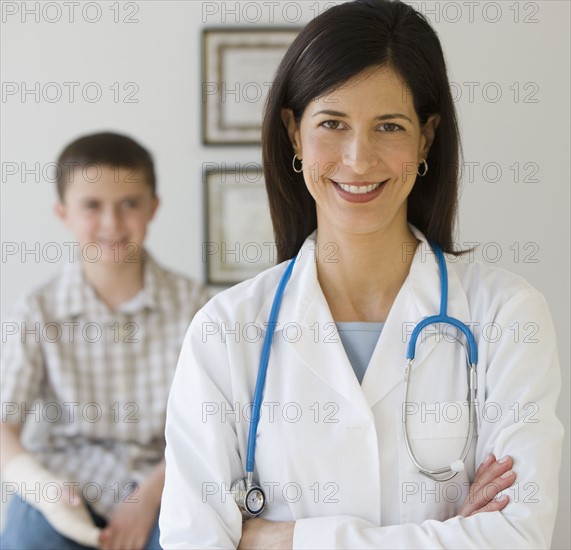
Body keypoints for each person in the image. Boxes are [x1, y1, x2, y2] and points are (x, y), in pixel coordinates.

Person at [159, 1, 564, 548]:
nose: (358, 158)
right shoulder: (225, 330)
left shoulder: (506, 314)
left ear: (426, 138)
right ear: (294, 135)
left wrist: (282, 539)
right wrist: (449, 535)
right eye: (332, 123)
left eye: (389, 126)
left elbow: (519, 535)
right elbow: (193, 541)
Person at [0, 132, 209, 549]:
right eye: (92, 206)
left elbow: (213, 429)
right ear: (63, 213)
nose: (112, 223)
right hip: (65, 485)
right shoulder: (39, 309)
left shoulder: (198, 307)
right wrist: (46, 491)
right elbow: (5, 425)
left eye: (129, 204)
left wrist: (147, 499)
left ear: (153, 208)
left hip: (165, 485)